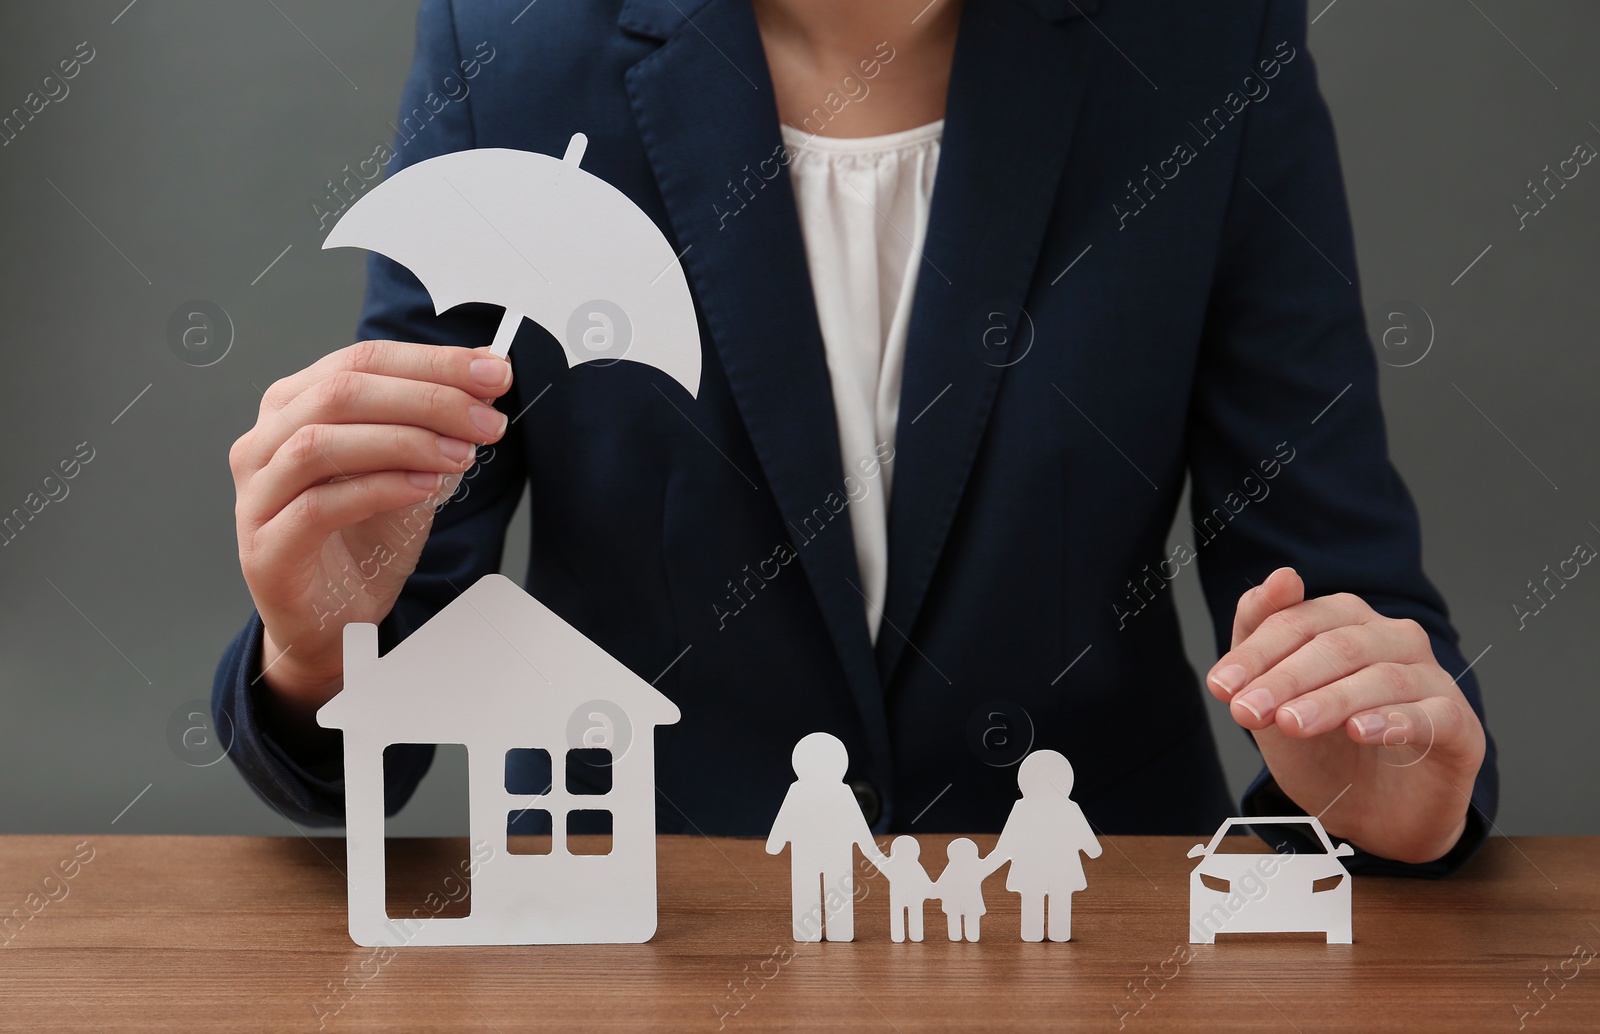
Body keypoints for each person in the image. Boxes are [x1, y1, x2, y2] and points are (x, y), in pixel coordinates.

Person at [215, 0, 1497, 876]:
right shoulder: (514, 45)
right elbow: (386, 665)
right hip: (642, 946)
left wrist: (1384, 785)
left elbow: (1343, 605)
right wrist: (319, 638)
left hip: (1092, 935)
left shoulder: (1206, 40)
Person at [765, 733, 886, 942]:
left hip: (826, 854)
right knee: (821, 890)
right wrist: (873, 852)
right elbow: (787, 817)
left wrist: (776, 843)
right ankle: (821, 930)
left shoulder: (835, 792)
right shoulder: (803, 791)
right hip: (816, 854)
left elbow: (856, 823)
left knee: (834, 891)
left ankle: (836, 930)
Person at [986, 750, 1102, 942]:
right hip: (1062, 870)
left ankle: (1036, 933)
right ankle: (1058, 933)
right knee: (1059, 897)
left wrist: (986, 866)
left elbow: (1004, 847)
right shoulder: (1069, 808)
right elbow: (1094, 849)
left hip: (1030, 870)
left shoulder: (1023, 809)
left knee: (1036, 896)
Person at [880, 835, 935, 943]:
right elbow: (926, 882)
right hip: (911, 896)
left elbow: (880, 863)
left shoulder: (893, 865)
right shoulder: (915, 866)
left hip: (902, 896)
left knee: (901, 913)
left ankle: (901, 936)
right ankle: (914, 935)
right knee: (913, 912)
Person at [934, 838, 989, 942]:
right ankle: (964, 936)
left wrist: (933, 891)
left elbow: (939, 886)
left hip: (960, 903)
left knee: (965, 918)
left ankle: (966, 936)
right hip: (964, 903)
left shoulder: (953, 869)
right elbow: (941, 885)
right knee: (960, 918)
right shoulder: (974, 867)